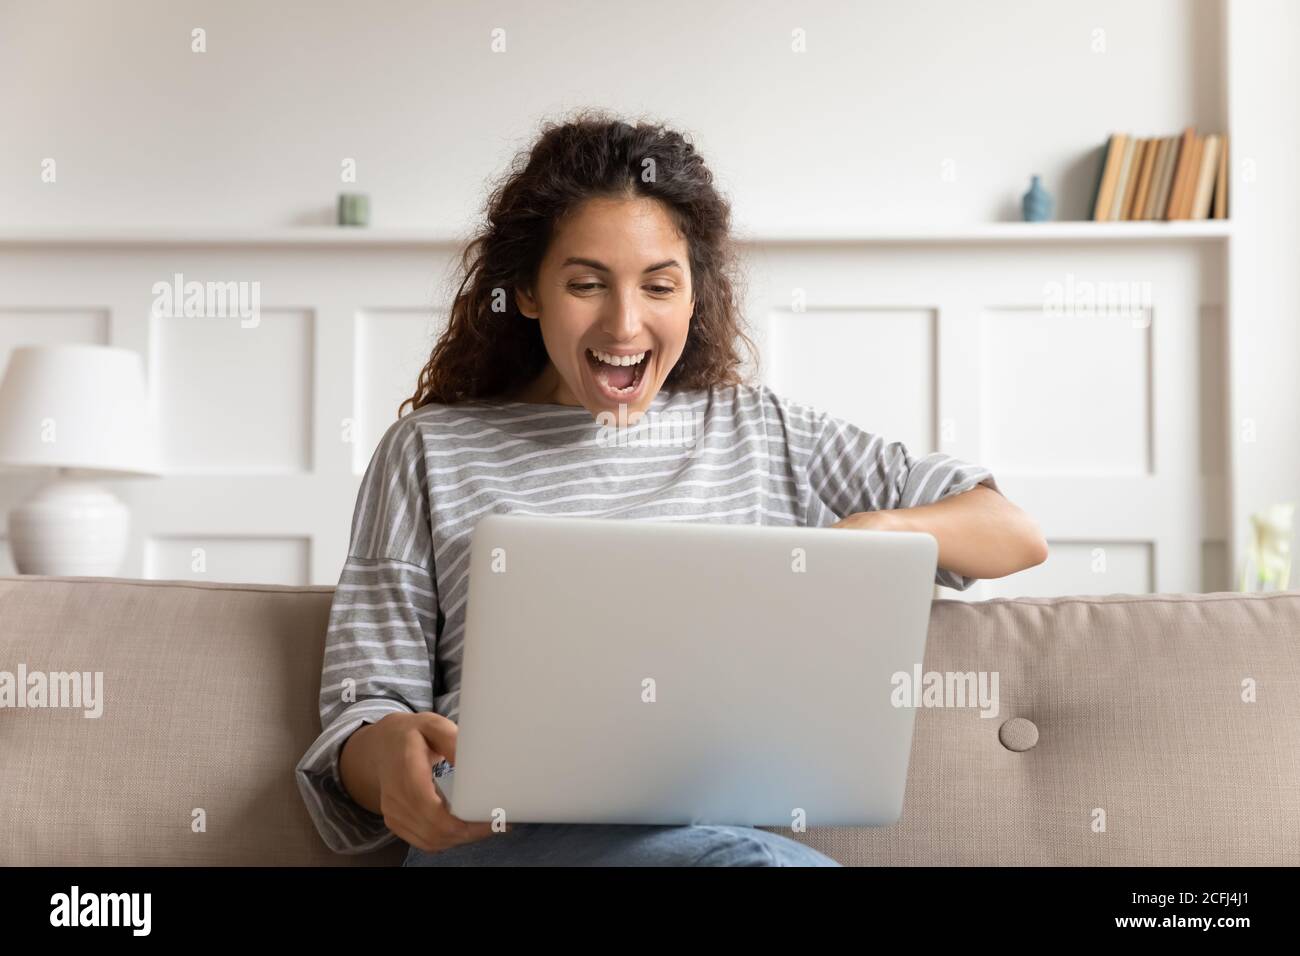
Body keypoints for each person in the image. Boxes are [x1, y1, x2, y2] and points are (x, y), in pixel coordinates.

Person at [294, 110, 1049, 867]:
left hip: (715, 838)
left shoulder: (765, 432)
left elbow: (1012, 532)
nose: (625, 324)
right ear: (527, 292)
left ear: (695, 294)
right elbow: (360, 716)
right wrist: (391, 749)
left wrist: (883, 532)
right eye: (586, 284)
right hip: (501, 843)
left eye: (659, 285)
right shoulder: (430, 451)